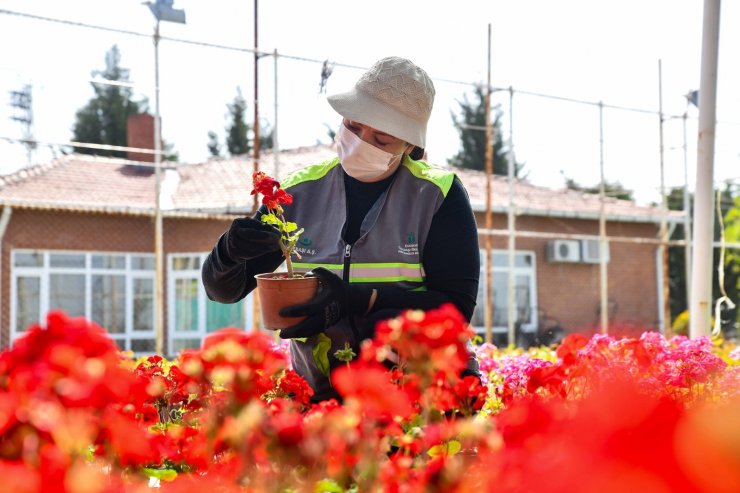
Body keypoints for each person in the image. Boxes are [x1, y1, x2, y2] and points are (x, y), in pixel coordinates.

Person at [202, 56, 481, 402]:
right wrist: (227, 255)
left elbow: (456, 308)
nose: (361, 141)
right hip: (319, 395)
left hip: (415, 395)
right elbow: (224, 291)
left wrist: (356, 301)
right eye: (354, 125)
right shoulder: (299, 193)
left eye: (381, 139)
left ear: (410, 146)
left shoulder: (437, 195)